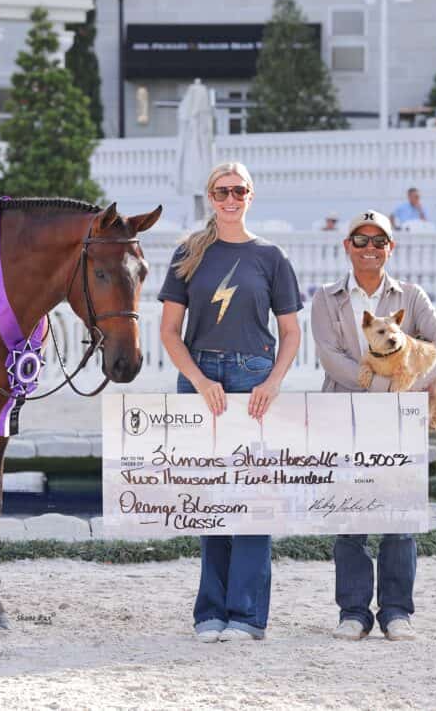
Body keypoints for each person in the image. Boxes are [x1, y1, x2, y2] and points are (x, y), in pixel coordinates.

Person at [158, 162, 302, 643]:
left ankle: (246, 615)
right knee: (209, 498)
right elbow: (168, 333)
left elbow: (290, 332)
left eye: (239, 190)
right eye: (222, 191)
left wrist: (274, 381)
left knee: (254, 500)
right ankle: (210, 612)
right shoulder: (189, 253)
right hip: (202, 381)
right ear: (210, 197)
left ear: (251, 195)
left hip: (253, 379)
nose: (230, 198)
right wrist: (198, 380)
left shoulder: (272, 257)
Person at [310, 210, 436, 642]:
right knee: (349, 519)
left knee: (400, 520)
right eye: (361, 240)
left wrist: (408, 384)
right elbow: (331, 359)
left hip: (400, 423)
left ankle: (396, 612)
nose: (369, 248)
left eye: (379, 241)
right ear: (347, 247)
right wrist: (383, 392)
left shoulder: (412, 297)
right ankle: (353, 613)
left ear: (390, 248)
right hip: (346, 416)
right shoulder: (326, 298)